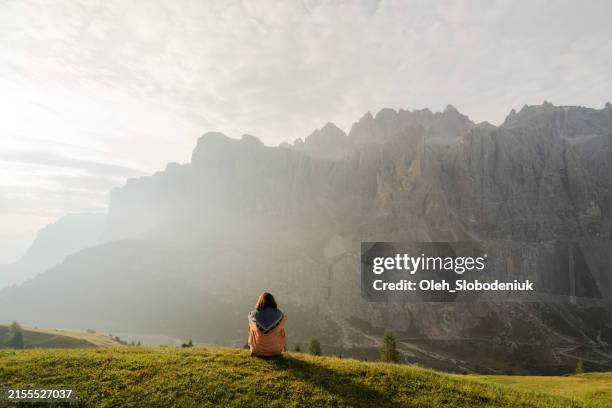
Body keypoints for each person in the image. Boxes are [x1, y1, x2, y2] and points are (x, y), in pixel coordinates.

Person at [247, 292, 288, 357]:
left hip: (257, 350)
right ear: (273, 301)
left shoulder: (253, 315)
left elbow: (250, 332)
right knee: (281, 329)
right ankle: (277, 347)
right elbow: (282, 333)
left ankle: (254, 347)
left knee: (251, 327)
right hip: (276, 350)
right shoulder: (280, 314)